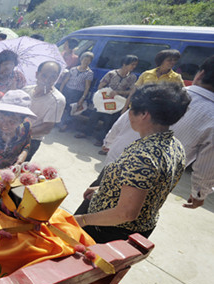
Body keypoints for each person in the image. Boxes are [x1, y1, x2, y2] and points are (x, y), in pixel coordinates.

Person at [74, 84, 191, 243]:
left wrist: (82, 220)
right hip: (139, 227)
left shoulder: (143, 156)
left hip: (108, 232)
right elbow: (147, 188)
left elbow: (126, 213)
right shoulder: (175, 145)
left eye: (131, 108)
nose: (128, 113)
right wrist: (103, 190)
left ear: (144, 114)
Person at [171, 57, 214, 208]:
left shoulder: (168, 92)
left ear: (200, 74)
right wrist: (199, 193)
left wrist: (108, 143)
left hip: (118, 163)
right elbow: (207, 166)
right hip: (157, 180)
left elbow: (124, 122)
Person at [75, 55, 138, 143]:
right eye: (132, 64)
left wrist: (118, 92)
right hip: (104, 100)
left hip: (116, 103)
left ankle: (101, 139)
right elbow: (101, 86)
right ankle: (86, 133)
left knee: (108, 121)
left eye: (135, 65)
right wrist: (108, 92)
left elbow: (131, 91)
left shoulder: (132, 77)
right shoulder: (112, 73)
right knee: (94, 117)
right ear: (124, 64)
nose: (134, 67)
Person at [23, 61, 66, 161]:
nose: (47, 80)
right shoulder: (26, 90)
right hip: (13, 135)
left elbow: (46, 128)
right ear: (37, 75)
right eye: (44, 75)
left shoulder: (58, 100)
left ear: (57, 78)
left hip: (31, 140)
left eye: (52, 77)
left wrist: (21, 134)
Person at [58, 52, 94, 132]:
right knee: (62, 107)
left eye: (88, 60)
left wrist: (82, 98)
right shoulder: (73, 69)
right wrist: (60, 91)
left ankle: (65, 125)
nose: (86, 62)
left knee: (71, 110)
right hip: (67, 90)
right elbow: (65, 81)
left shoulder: (89, 73)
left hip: (77, 93)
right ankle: (58, 123)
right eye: (85, 60)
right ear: (81, 60)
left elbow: (87, 87)